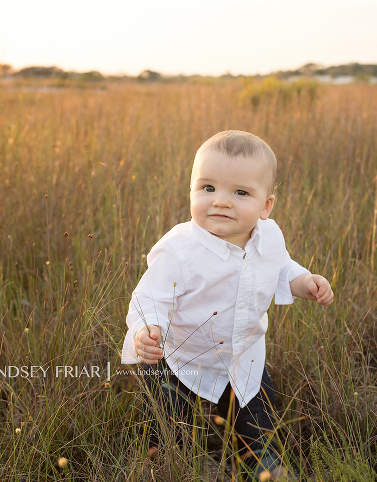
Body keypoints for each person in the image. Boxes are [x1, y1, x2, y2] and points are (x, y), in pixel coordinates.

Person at [121, 130, 333, 480]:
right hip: (178, 359)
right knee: (168, 423)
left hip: (244, 357)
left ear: (266, 206)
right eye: (208, 188)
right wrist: (147, 329)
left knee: (256, 420)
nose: (220, 201)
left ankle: (265, 468)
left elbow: (281, 268)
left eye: (240, 192)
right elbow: (151, 298)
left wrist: (305, 282)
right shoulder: (180, 250)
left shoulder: (270, 237)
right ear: (191, 190)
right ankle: (162, 461)